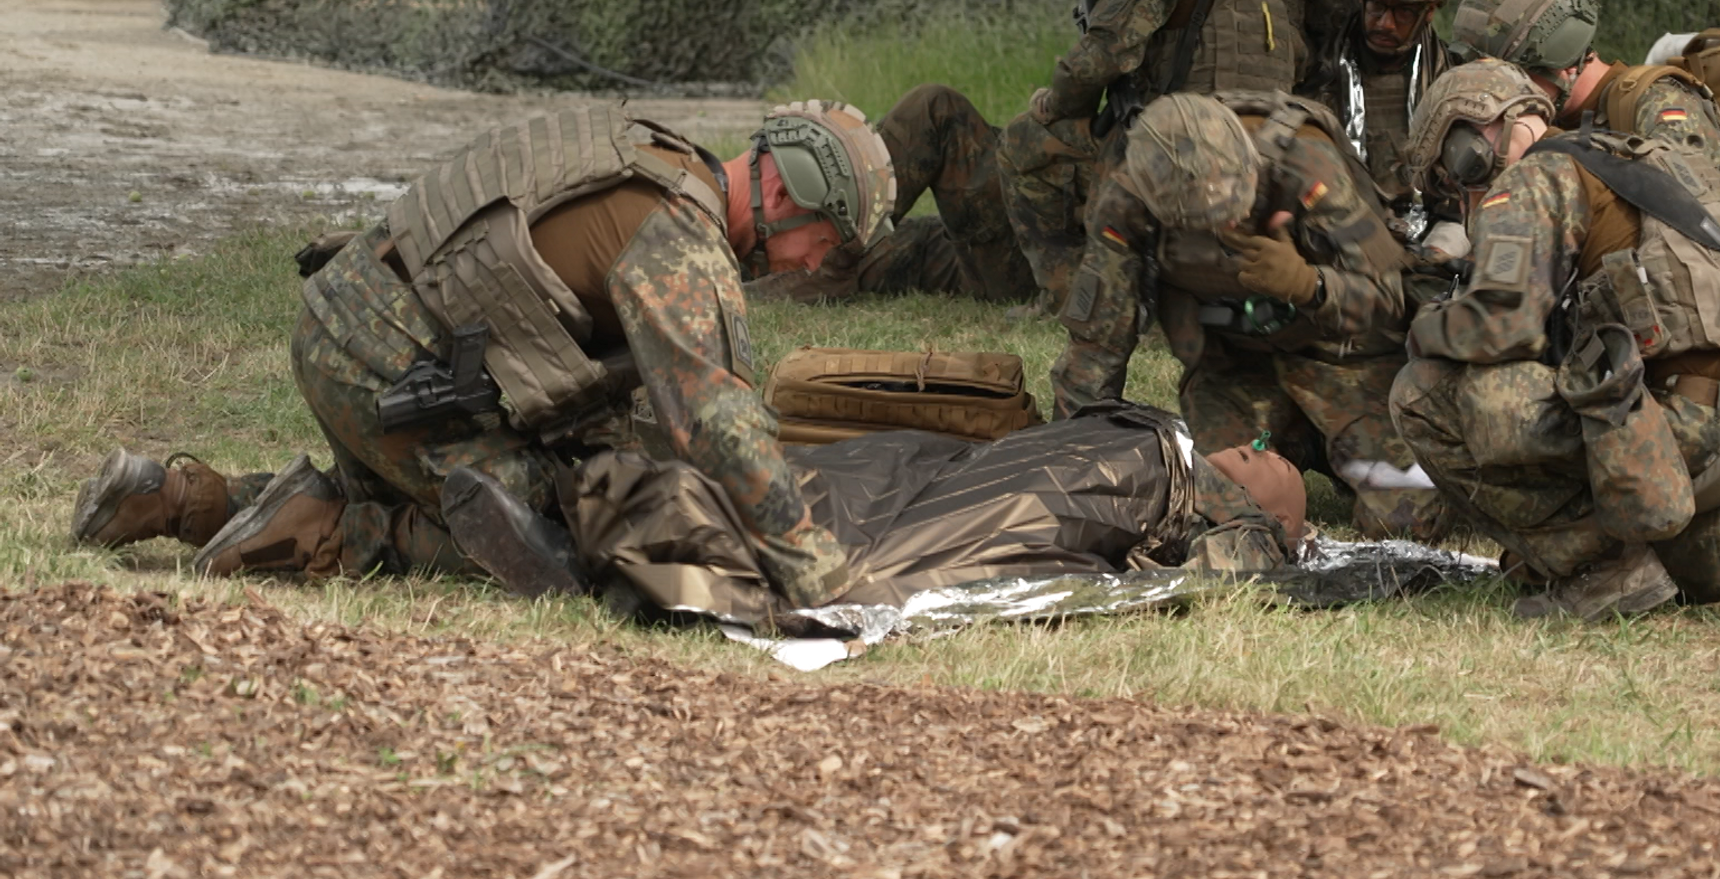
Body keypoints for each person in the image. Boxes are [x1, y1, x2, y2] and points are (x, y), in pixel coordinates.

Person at [71, 101, 897, 607]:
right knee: (565, 533)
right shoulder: (678, 235)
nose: (818, 265)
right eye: (827, 242)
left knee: (581, 471)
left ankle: (171, 499)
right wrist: (820, 575)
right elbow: (714, 419)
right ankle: (339, 533)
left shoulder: (659, 160)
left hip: (367, 335)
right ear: (784, 193)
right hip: (387, 365)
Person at [1389, 60, 1720, 625]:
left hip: (1664, 422)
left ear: (1473, 136)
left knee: (1422, 393)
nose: (1462, 180)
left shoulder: (1531, 180)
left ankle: (1603, 568)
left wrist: (1425, 325)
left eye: (1453, 164)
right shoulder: (1640, 158)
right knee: (1686, 568)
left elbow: (1502, 328)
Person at [438, 403, 1300, 623]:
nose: (1252, 447)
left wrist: (1260, 537)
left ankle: (611, 541)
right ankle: (600, 516)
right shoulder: (1161, 439)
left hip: (1080, 485)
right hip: (976, 460)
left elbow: (1239, 565)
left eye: (1268, 459)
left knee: (882, 555)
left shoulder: (1201, 498)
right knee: (811, 487)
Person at [1050, 89, 1448, 541]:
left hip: (1345, 363)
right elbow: (1097, 346)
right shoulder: (1131, 197)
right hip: (1237, 371)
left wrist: (1308, 284)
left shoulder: (1304, 163)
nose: (1226, 229)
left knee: (1403, 522)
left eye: (1233, 207)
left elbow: (1387, 298)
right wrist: (1069, 468)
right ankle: (1297, 438)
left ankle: (1329, 440)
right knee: (1218, 511)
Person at [997, 0, 1304, 314]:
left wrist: (1056, 104)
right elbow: (1296, 60)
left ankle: (1071, 295)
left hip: (1186, 151)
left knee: (1022, 139)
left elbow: (1097, 58)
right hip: (1269, 153)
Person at [1450, 0, 1720, 191]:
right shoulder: (1545, 117)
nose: (1499, 91)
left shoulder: (1659, 102)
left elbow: (1687, 215)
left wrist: (1547, 144)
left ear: (1564, 63)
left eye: (1511, 75)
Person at [744, 84, 1035, 305]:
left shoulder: (1080, 69)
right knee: (902, 241)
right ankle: (762, 268)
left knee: (935, 108)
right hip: (1032, 241)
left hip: (1035, 254)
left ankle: (829, 268)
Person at [1298, 0, 1456, 211]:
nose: (1385, 23)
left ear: (1429, 12)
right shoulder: (1317, 70)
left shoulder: (1453, 84)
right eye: (1376, 6)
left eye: (1403, 12)